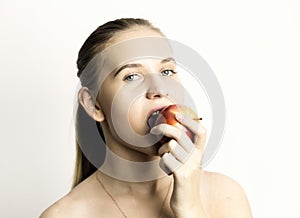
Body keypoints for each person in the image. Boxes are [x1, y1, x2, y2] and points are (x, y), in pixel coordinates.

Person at [40, 18, 252, 218]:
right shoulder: (65, 215)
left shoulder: (225, 196)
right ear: (93, 103)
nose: (160, 89)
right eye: (132, 76)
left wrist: (189, 208)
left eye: (167, 72)